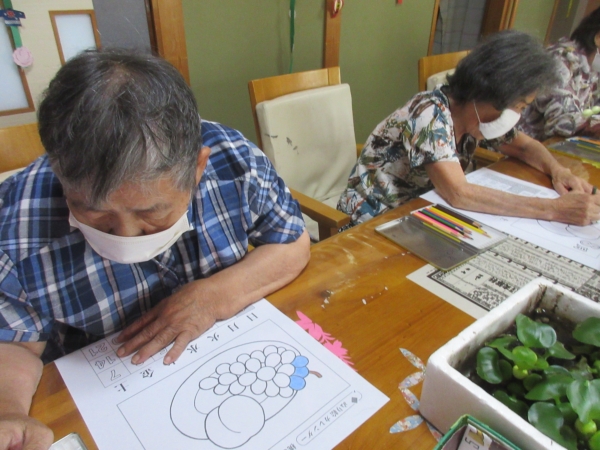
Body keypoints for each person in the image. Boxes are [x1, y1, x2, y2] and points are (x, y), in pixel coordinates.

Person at [0, 49, 310, 449]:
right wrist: (8, 410)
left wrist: (214, 297)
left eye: (151, 212)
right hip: (106, 398)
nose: (126, 235)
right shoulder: (16, 225)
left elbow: (291, 241)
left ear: (197, 169)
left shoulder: (234, 162)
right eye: (95, 213)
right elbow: (15, 343)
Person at [337, 30, 600, 229]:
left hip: (422, 210)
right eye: (518, 106)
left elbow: (525, 147)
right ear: (489, 93)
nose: (517, 116)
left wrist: (559, 171)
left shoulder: (478, 117)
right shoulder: (429, 113)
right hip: (373, 220)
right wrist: (554, 209)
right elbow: (458, 193)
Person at [519, 7, 600, 140]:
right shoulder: (560, 61)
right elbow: (562, 124)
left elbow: (593, 110)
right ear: (598, 38)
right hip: (520, 146)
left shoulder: (592, 69)